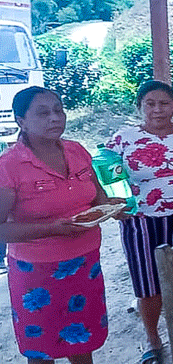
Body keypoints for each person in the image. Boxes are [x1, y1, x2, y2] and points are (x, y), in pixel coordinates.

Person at [0, 87, 117, 364]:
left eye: (58, 110)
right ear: (21, 121)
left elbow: (97, 197)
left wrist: (112, 207)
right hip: (37, 272)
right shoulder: (9, 165)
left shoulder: (76, 151)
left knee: (81, 339)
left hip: (85, 264)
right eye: (43, 113)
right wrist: (53, 228)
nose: (55, 118)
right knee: (42, 348)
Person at [107, 81, 173, 364]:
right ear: (139, 107)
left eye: (164, 103)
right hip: (142, 220)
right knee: (148, 283)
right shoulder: (123, 139)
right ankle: (153, 339)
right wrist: (112, 203)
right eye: (150, 104)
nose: (158, 109)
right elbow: (105, 175)